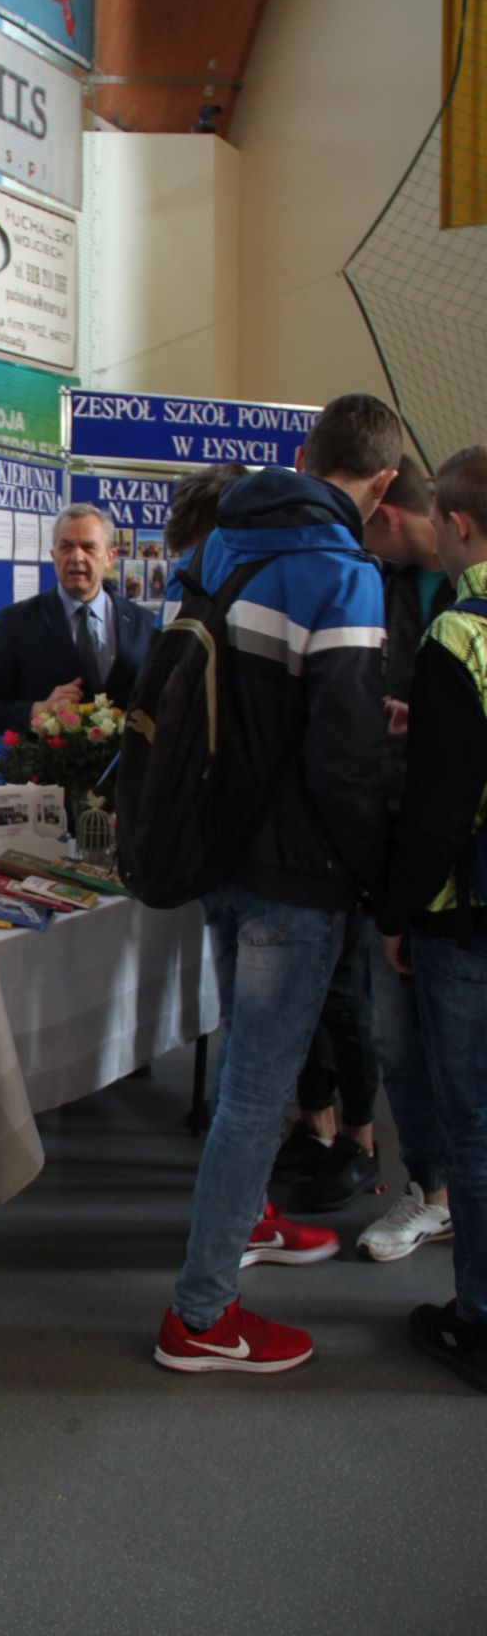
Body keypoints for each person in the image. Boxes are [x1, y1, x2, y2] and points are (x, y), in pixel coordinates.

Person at [152, 393, 401, 1377]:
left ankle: (249, 1218)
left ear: (302, 456)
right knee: (259, 1091)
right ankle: (201, 1314)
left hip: (217, 853)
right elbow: (342, 764)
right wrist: (379, 879)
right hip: (295, 878)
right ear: (385, 483)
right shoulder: (344, 573)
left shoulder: (221, 544)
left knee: (243, 1073)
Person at [374, 446, 487, 1390]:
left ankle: (479, 1318)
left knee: (473, 1123)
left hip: (467, 916)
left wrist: (397, 912)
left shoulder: (458, 632)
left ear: (456, 525)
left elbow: (442, 812)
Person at [353, 457, 456, 1258]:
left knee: (458, 1042)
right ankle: (433, 1190)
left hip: (456, 848)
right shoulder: (381, 586)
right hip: (394, 838)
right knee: (399, 1034)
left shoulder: (464, 597)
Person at [0, 505, 155, 736]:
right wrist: (39, 710)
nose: (77, 557)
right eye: (66, 547)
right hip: (48, 758)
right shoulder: (16, 622)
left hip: (125, 760)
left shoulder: (144, 623)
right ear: (53, 556)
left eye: (88, 547)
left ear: (109, 557)